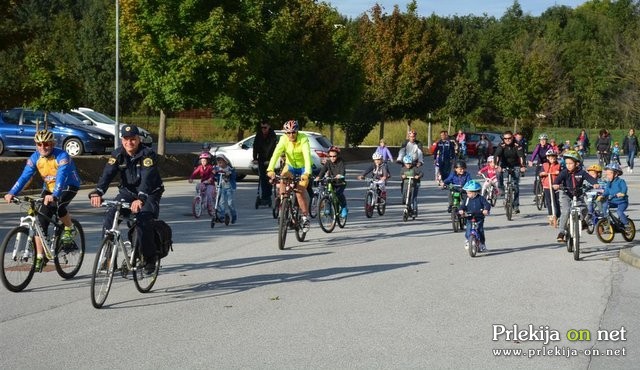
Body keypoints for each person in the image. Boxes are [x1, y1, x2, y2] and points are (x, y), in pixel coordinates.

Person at [89, 124, 164, 274]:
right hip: (128, 193)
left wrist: (141, 198)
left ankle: (150, 258)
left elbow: (147, 179)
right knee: (110, 216)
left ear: (138, 139)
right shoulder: (118, 154)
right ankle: (109, 258)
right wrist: (98, 192)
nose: (129, 143)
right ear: (122, 140)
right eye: (126, 139)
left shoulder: (147, 154)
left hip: (150, 193)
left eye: (133, 139)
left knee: (143, 221)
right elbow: (107, 174)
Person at [4, 129, 82, 271]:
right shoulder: (35, 158)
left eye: (46, 144)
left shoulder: (62, 156)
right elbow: (24, 177)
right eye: (39, 144)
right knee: (40, 220)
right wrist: (11, 192)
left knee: (59, 207)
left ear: (52, 144)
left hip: (68, 185)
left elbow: (61, 177)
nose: (42, 147)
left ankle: (70, 228)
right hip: (49, 188)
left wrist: (55, 195)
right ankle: (40, 256)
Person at [267, 120, 313, 231]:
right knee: (283, 178)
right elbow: (276, 154)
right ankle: (284, 205)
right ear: (285, 133)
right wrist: (270, 169)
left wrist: (307, 173)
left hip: (303, 168)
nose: (291, 135)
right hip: (291, 166)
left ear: (297, 132)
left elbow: (307, 157)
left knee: (299, 192)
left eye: (293, 132)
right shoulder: (283, 139)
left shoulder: (303, 139)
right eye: (288, 133)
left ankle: (305, 217)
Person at [552, 150, 599, 242]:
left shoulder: (582, 172)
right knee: (566, 211)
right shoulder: (564, 172)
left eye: (570, 163)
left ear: (577, 163)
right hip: (566, 193)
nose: (568, 165)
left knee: (584, 209)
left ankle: (584, 222)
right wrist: (556, 184)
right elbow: (557, 180)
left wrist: (595, 183)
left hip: (578, 194)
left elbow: (590, 178)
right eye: (566, 163)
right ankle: (561, 232)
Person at [493, 130, 526, 213]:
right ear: (503, 139)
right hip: (504, 164)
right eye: (505, 138)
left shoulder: (517, 145)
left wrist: (522, 166)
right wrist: (496, 165)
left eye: (509, 138)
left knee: (515, 185)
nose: (507, 140)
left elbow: (521, 156)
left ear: (512, 137)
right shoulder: (501, 145)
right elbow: (497, 155)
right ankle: (501, 188)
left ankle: (516, 205)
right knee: (498, 172)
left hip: (516, 165)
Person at [458, 180, 491, 252]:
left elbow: (487, 204)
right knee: (468, 230)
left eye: (469, 192)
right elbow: (462, 206)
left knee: (480, 230)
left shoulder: (481, 198)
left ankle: (482, 244)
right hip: (469, 217)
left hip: (479, 217)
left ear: (475, 192)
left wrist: (486, 210)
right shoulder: (467, 199)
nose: (467, 194)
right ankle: (468, 240)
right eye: (467, 192)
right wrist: (461, 210)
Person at [315, 146, 348, 218]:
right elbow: (323, 170)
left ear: (337, 155)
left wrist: (341, 175)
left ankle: (344, 207)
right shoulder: (328, 162)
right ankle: (328, 209)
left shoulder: (341, 162)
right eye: (330, 156)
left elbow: (343, 170)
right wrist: (318, 177)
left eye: (334, 156)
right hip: (331, 181)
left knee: (338, 194)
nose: (332, 158)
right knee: (327, 193)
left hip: (340, 182)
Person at [598, 163, 631, 232]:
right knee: (604, 205)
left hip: (622, 202)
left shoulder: (621, 181)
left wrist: (622, 193)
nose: (608, 176)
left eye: (609, 174)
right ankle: (606, 220)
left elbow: (624, 188)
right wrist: (602, 195)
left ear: (616, 174)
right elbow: (607, 191)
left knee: (619, 212)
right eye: (607, 174)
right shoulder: (608, 183)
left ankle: (627, 224)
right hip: (613, 201)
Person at [252, 121, 277, 204]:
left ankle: (267, 196)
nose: (263, 129)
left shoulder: (272, 135)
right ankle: (264, 196)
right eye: (262, 127)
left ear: (269, 126)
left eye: (265, 127)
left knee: (269, 178)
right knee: (262, 178)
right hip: (261, 159)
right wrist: (255, 158)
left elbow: (271, 148)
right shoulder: (259, 134)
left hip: (270, 159)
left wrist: (269, 160)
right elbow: (255, 146)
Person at [212, 153, 237, 224]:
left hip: (229, 187)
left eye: (220, 162)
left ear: (225, 161)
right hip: (221, 187)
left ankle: (234, 215)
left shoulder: (230, 169)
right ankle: (222, 216)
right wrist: (214, 173)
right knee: (221, 202)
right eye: (218, 163)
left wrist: (229, 173)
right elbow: (214, 176)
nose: (219, 164)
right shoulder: (217, 168)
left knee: (230, 203)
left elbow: (234, 177)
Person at [539, 150, 561, 226]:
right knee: (549, 201)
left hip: (555, 185)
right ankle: (551, 215)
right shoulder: (545, 165)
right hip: (547, 185)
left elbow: (561, 173)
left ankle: (558, 215)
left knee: (556, 201)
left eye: (554, 157)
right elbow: (541, 173)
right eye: (551, 157)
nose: (552, 158)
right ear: (548, 158)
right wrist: (543, 173)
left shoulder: (558, 165)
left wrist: (558, 173)